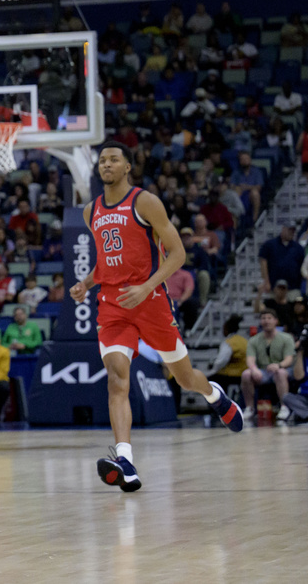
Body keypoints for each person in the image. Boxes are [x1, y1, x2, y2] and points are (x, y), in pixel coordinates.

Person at [70, 141, 242, 493]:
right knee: (117, 380)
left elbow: (177, 254)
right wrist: (87, 282)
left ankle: (213, 394)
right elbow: (107, 259)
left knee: (184, 379)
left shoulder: (145, 202)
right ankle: (125, 460)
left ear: (127, 166)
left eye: (114, 159)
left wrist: (147, 287)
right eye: (102, 160)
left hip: (151, 301)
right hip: (113, 305)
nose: (106, 164)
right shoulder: (91, 211)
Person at [241, 309, 296, 421]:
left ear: (276, 321)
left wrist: (279, 365)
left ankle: (284, 407)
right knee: (246, 374)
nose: (266, 321)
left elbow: (289, 359)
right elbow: (250, 359)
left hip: (282, 369)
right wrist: (254, 369)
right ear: (260, 321)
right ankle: (249, 408)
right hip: (263, 371)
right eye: (263, 318)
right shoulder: (254, 340)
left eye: (269, 318)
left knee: (280, 373)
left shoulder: (286, 338)